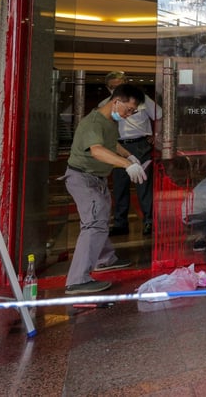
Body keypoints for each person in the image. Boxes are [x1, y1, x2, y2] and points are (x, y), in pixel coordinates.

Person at [64, 83, 147, 294]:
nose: (129, 115)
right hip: (83, 178)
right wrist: (127, 165)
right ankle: (77, 280)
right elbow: (98, 151)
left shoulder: (109, 122)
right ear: (116, 101)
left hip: (97, 178)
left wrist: (128, 155)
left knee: (99, 219)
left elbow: (111, 144)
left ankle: (105, 258)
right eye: (128, 109)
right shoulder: (93, 122)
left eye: (133, 111)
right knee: (94, 224)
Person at [100, 71, 162, 237]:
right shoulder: (104, 104)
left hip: (140, 145)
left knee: (144, 186)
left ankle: (149, 222)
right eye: (113, 87)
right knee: (120, 187)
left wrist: (157, 136)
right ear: (108, 88)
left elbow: (160, 115)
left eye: (119, 85)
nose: (116, 89)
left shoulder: (142, 99)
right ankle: (120, 223)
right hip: (118, 147)